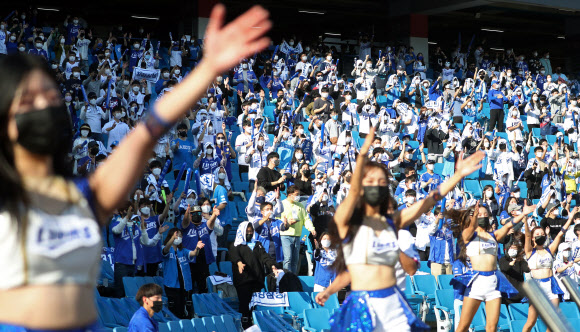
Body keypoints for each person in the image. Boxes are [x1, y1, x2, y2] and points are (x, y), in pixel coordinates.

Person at [0, 5, 271, 330]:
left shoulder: (80, 196)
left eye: (49, 94)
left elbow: (147, 132)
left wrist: (208, 68)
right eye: (28, 99)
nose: (43, 104)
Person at [329, 127, 483, 331]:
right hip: (362, 305)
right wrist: (363, 154)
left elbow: (429, 201)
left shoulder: (394, 221)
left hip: (393, 304)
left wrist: (457, 176)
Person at [450, 201, 534, 332]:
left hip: (493, 284)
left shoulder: (493, 235)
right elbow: (470, 228)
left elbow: (508, 226)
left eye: (485, 214)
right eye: (480, 214)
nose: (483, 216)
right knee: (463, 326)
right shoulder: (468, 235)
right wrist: (474, 216)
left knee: (492, 327)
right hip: (476, 284)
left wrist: (523, 213)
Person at [521, 206, 576, 332]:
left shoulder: (549, 250)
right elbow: (527, 236)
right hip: (537, 287)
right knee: (530, 322)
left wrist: (570, 218)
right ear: (533, 238)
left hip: (551, 286)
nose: (540, 235)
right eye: (537, 234)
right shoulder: (530, 251)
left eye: (542, 233)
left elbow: (561, 233)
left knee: (553, 323)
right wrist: (525, 219)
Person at [229, 222, 279, 328]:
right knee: (245, 304)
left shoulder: (257, 244)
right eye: (247, 231)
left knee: (255, 305)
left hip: (257, 280)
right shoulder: (236, 245)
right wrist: (239, 263)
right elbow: (234, 256)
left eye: (251, 231)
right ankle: (244, 326)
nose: (249, 233)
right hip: (243, 281)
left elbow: (265, 257)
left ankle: (255, 325)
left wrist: (272, 266)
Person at [162, 228, 205, 318]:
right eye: (177, 235)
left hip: (184, 284)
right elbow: (165, 250)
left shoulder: (183, 250)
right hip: (171, 285)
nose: (179, 237)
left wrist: (197, 248)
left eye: (180, 235)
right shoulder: (166, 248)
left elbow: (193, 254)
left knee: (183, 308)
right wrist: (172, 239)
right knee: (174, 310)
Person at [280, 185, 316, 274]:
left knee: (295, 261)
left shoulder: (300, 205)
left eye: (299, 194)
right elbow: (277, 219)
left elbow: (306, 219)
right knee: (287, 259)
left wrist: (311, 228)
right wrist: (287, 222)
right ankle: (286, 278)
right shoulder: (282, 204)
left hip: (297, 236)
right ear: (290, 194)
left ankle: (293, 279)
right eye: (296, 194)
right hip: (286, 235)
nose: (298, 196)